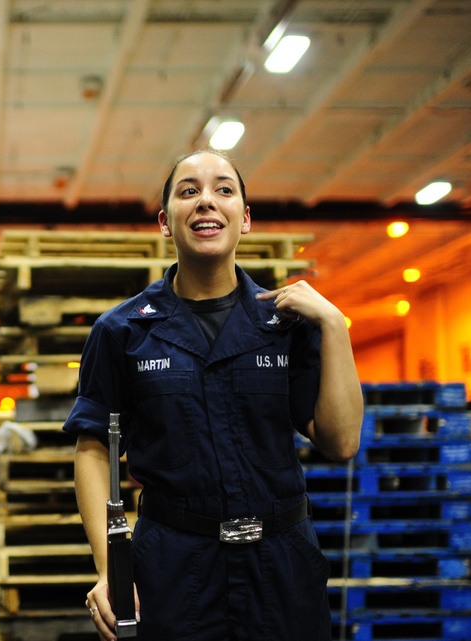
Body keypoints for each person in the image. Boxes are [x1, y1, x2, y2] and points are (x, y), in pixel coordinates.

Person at [64, 150, 363, 641]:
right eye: (189, 191)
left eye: (224, 190)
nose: (207, 201)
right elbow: (92, 450)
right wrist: (109, 568)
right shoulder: (122, 331)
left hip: (282, 564)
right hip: (175, 567)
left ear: (244, 219)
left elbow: (343, 440)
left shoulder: (286, 324)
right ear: (165, 222)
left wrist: (334, 324)